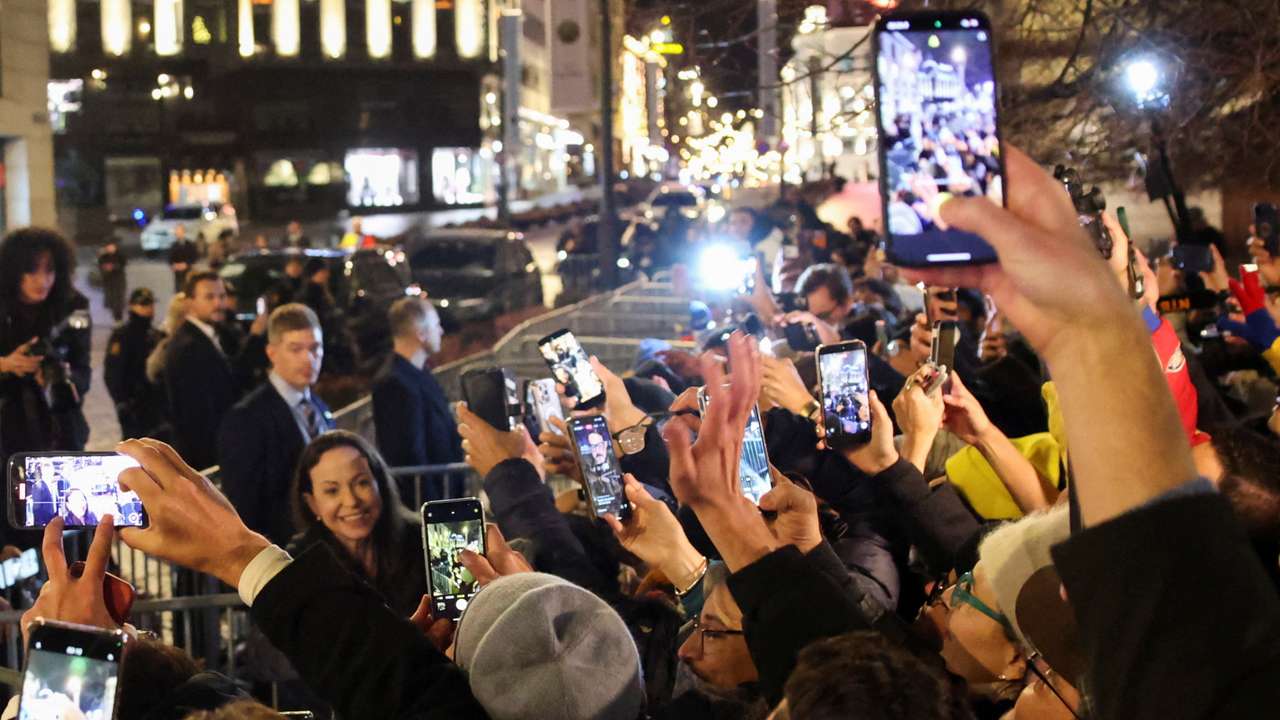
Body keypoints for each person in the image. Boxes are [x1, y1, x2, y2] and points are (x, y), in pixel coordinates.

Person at [218, 304, 333, 546]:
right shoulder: (247, 418)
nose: (308, 358)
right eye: (295, 349)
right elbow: (244, 507)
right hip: (281, 555)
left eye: (315, 348)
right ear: (272, 353)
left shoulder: (320, 407)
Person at [288, 430, 424, 615]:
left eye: (361, 483)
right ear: (312, 504)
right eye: (332, 491)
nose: (351, 501)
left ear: (380, 485)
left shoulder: (420, 539)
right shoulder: (300, 563)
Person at [0, 228, 92, 475]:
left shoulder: (73, 308)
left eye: (49, 270)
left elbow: (84, 369)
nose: (42, 281)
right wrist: (6, 365)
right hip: (6, 435)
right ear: (13, 271)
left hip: (61, 433)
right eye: (31, 271)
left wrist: (62, 380)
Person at [371, 297, 463, 499]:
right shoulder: (393, 384)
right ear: (420, 333)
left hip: (445, 495)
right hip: (429, 505)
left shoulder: (420, 373)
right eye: (436, 325)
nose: (441, 331)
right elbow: (407, 456)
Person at [163, 271, 243, 470]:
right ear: (190, 302)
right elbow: (197, 416)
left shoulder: (216, 335)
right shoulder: (188, 348)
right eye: (209, 297)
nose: (218, 303)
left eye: (222, 296)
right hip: (204, 459)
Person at [104, 288, 165, 439]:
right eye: (143, 304)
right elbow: (113, 372)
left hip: (155, 403)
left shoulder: (156, 334)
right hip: (133, 403)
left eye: (150, 304)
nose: (148, 308)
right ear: (131, 306)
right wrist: (121, 402)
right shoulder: (123, 335)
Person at [97, 239, 127, 322]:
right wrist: (105, 268)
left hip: (118, 282)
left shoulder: (120, 255)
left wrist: (113, 267)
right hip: (108, 282)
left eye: (112, 246)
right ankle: (117, 319)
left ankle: (118, 319)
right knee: (112, 302)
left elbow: (123, 264)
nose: (110, 248)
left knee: (118, 301)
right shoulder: (103, 257)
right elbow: (100, 265)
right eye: (108, 247)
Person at [168, 224, 199, 293]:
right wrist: (174, 265)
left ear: (184, 232)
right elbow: (170, 258)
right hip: (178, 272)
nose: (178, 233)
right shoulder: (173, 245)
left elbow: (194, 257)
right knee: (178, 288)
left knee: (187, 287)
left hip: (187, 270)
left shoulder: (190, 244)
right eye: (177, 231)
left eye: (180, 231)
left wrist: (186, 264)